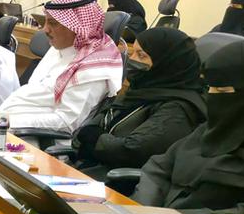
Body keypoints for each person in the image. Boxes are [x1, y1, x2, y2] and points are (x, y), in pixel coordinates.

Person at [133, 39, 244, 214]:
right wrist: (144, 213)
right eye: (209, 88)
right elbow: (159, 168)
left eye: (222, 91)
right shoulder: (213, 128)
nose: (212, 96)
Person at [68, 28, 206, 178]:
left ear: (167, 63)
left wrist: (95, 139)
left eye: (141, 55)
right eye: (133, 52)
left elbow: (134, 150)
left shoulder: (179, 108)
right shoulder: (141, 90)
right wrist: (87, 136)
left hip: (120, 182)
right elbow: (91, 128)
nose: (132, 60)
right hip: (94, 168)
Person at [0, 0, 123, 131]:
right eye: (46, 22)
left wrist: (11, 122)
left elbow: (67, 122)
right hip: (8, 126)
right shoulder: (60, 47)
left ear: (77, 27)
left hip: (35, 137)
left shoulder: (93, 67)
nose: (45, 29)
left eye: (53, 23)